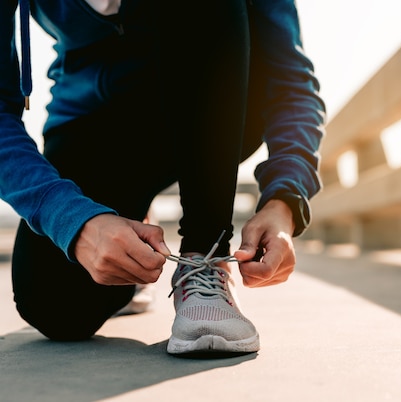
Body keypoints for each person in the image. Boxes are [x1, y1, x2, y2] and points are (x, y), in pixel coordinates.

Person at [0, 0, 325, 355]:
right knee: (55, 307)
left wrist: (285, 201)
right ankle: (133, 216)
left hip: (215, 102)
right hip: (92, 119)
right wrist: (74, 221)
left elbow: (291, 81)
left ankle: (205, 256)